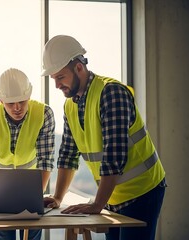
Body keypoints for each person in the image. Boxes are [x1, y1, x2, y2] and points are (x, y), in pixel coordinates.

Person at [41, 35, 166, 240]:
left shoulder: (111, 92)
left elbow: (113, 156)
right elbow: (67, 155)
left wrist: (97, 204)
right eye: (53, 78)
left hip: (143, 191)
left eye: (60, 77)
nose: (56, 85)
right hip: (112, 195)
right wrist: (57, 197)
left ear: (79, 68)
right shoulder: (70, 105)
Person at [0, 68, 55, 240]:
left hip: (34, 186)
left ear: (29, 96)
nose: (17, 108)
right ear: (1, 100)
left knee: (32, 235)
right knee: (4, 236)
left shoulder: (44, 114)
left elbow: (45, 160)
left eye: (21, 101)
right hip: (0, 189)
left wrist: (35, 196)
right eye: (10, 103)